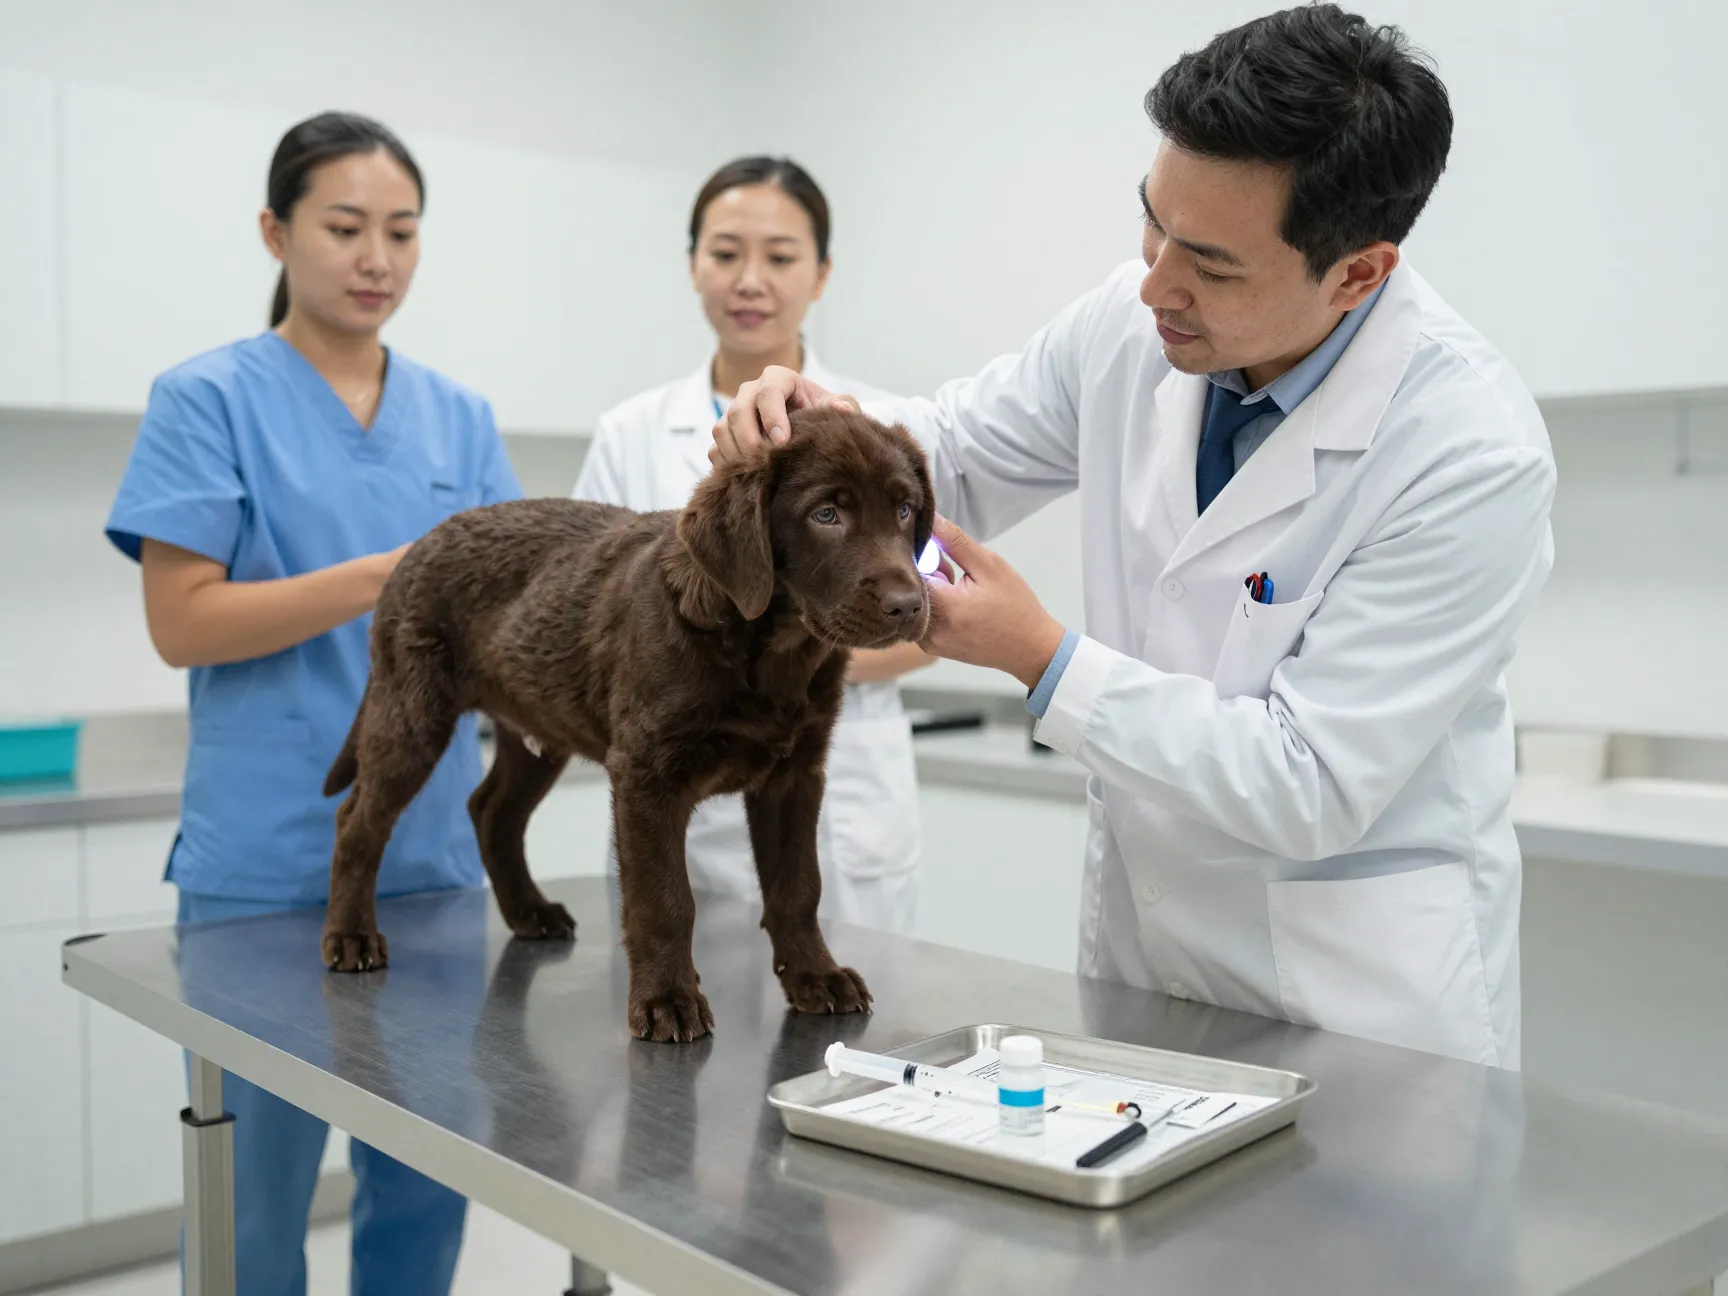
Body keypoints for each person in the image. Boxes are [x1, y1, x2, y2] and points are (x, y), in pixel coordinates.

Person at [709, 6, 1556, 1069]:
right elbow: (954, 455)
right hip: (1145, 964)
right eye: (1152, 222)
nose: (1155, 282)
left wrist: (1042, 658)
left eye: (1211, 262)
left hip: (1360, 1008)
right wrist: (817, 424)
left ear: (1356, 274)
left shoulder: (1468, 452)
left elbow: (1310, 782)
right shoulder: (1134, 319)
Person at [105, 111, 519, 1295]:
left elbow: (507, 628)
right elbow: (183, 620)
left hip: (429, 865)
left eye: (400, 231)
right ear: (275, 231)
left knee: (427, 1176)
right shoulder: (208, 399)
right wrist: (383, 579)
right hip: (269, 866)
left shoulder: (460, 419)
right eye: (344, 227)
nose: (375, 257)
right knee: (252, 1193)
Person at [574, 156, 929, 933]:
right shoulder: (630, 431)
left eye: (781, 256)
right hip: (676, 796)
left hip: (839, 797)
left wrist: (788, 657)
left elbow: (924, 618)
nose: (750, 280)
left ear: (822, 274)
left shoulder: (886, 429)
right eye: (726, 253)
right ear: (694, 264)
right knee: (669, 1027)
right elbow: (592, 622)